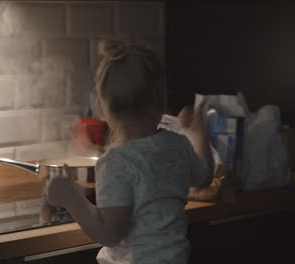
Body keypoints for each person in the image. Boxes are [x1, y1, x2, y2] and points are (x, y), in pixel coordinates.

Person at [46, 39, 214, 264]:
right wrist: (198, 132)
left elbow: (110, 233)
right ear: (162, 99)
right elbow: (204, 176)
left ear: (103, 106)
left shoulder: (116, 162)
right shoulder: (178, 145)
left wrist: (71, 198)